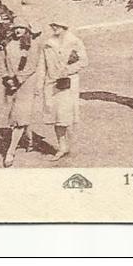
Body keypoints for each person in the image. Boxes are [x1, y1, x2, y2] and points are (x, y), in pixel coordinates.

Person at [40, 20, 88, 161]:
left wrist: (68, 70)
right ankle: (62, 147)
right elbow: (42, 66)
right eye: (52, 25)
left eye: (57, 25)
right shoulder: (47, 44)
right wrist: (40, 83)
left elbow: (84, 61)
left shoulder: (75, 42)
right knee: (56, 117)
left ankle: (72, 146)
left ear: (64, 26)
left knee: (67, 117)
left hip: (69, 83)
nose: (54, 27)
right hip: (51, 84)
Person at [2, 23, 42, 167]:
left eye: (21, 28)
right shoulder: (10, 44)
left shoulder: (33, 44)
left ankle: (10, 152)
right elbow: (5, 63)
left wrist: (17, 80)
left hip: (27, 83)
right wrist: (7, 78)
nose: (18, 30)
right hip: (12, 83)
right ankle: (30, 141)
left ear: (27, 29)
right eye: (15, 28)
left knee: (19, 115)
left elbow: (32, 66)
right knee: (21, 115)